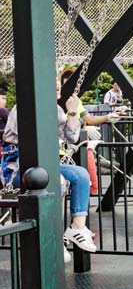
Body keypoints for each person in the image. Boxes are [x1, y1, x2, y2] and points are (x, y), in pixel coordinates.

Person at [3, 81, 98, 263]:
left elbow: (72, 138)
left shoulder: (57, 110)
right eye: (52, 83)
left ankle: (77, 228)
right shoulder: (24, 107)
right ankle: (53, 236)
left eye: (58, 84)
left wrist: (72, 112)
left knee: (80, 175)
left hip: (45, 164)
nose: (57, 86)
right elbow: (20, 136)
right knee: (57, 180)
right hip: (19, 167)